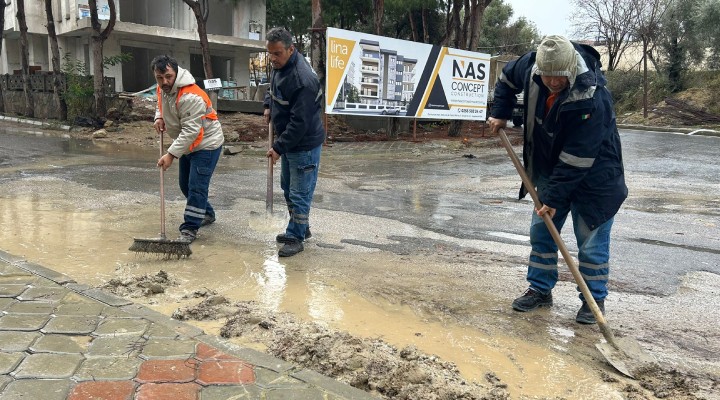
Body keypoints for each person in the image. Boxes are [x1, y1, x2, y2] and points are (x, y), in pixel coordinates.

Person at [487, 35, 627, 324]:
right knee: (542, 231)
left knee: (591, 242)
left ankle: (593, 301)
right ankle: (540, 289)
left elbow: (578, 158)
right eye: (546, 75)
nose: (552, 81)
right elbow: (504, 79)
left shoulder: (593, 96)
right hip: (552, 168)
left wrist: (552, 198)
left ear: (571, 67)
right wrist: (500, 112)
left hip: (596, 176)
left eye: (559, 76)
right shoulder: (531, 64)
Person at [263, 27, 325, 257]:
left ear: (291, 49)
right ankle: (301, 227)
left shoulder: (302, 79)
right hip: (289, 141)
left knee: (299, 192)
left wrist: (279, 147)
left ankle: (296, 236)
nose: (272, 59)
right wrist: (268, 104)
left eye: (277, 53)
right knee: (288, 187)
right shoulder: (279, 66)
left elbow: (300, 123)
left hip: (303, 144)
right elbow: (272, 88)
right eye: (270, 53)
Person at [152, 55, 224, 243]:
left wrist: (170, 154)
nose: (164, 82)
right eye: (160, 78)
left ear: (176, 73)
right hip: (188, 145)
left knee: (196, 187)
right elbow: (161, 103)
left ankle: (190, 228)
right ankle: (206, 213)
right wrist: (159, 117)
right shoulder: (163, 89)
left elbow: (191, 131)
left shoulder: (191, 96)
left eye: (168, 76)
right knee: (185, 184)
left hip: (207, 144)